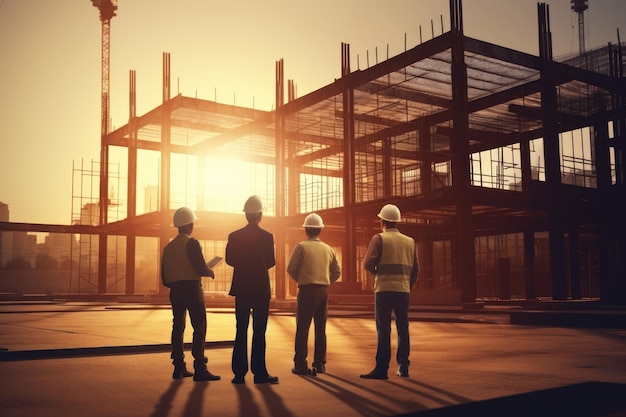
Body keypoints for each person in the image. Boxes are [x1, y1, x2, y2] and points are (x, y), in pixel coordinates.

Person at [360, 204, 419, 380]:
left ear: (382, 221)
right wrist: (408, 285)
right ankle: (403, 366)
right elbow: (416, 269)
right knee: (403, 327)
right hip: (403, 290)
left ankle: (381, 368)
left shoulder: (379, 239)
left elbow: (367, 263)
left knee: (384, 329)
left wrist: (378, 273)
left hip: (384, 289)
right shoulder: (410, 241)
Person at [161, 207, 221, 382]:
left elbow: (164, 278)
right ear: (189, 225)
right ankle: (200, 367)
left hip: (175, 291)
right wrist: (209, 271)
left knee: (178, 326)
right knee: (199, 326)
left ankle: (178, 367)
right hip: (192, 289)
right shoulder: (192, 243)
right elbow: (200, 267)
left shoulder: (168, 248)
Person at [225, 195, 279, 385]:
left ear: (246, 215)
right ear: (260, 215)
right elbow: (271, 261)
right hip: (260, 289)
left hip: (241, 288)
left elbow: (229, 260)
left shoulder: (234, 236)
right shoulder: (268, 237)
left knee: (241, 330)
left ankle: (239, 374)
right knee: (259, 331)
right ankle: (260, 373)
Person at [287, 213, 341, 375]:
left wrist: (301, 279)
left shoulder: (301, 247)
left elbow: (291, 268)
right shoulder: (328, 249)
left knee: (302, 328)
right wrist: (324, 280)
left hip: (306, 290)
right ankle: (319, 363)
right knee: (320, 328)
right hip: (323, 291)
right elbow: (336, 272)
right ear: (319, 230)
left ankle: (301, 364)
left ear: (306, 230)